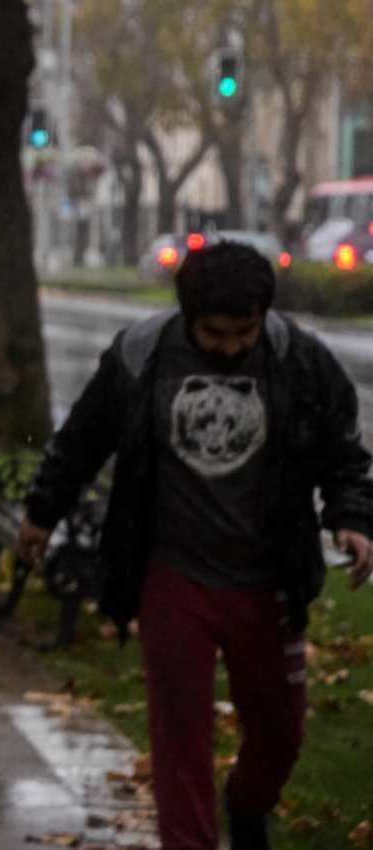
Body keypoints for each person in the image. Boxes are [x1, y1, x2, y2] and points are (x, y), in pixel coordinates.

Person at [19, 241, 373, 850]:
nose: (233, 347)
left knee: (280, 732)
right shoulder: (141, 357)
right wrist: (42, 512)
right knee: (181, 735)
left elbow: (343, 451)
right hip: (171, 575)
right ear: (188, 317)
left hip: (269, 578)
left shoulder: (301, 362)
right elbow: (82, 438)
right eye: (216, 334)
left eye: (246, 332)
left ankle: (248, 804)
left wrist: (354, 519)